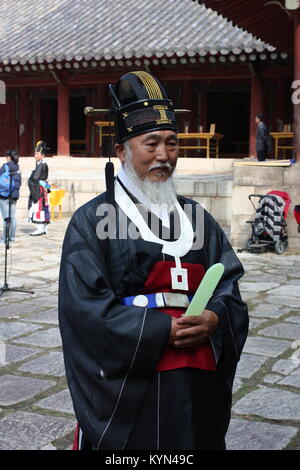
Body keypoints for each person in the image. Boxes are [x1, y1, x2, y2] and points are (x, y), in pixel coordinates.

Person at [59, 71, 249, 451]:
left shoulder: (197, 218)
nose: (164, 155)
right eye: (151, 144)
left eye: (172, 143)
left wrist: (215, 318)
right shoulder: (92, 221)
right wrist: (158, 330)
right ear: (121, 151)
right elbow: (84, 310)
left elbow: (229, 286)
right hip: (133, 383)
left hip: (196, 378)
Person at [28, 141, 51, 236]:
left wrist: (31, 179)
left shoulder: (41, 165)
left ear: (42, 155)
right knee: (43, 207)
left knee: (39, 207)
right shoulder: (41, 164)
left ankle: (40, 228)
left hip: (39, 189)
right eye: (35, 153)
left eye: (37, 153)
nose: (35, 155)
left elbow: (35, 178)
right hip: (42, 187)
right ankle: (44, 228)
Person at [0, 150, 22, 242]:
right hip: (14, 195)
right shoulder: (18, 168)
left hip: (4, 195)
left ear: (9, 157)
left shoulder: (5, 166)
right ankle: (12, 237)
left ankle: (5, 237)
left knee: (6, 217)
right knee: (12, 217)